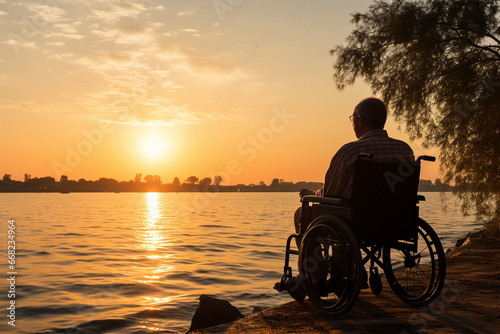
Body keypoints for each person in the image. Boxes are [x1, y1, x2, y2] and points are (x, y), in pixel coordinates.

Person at [279, 97, 414, 300]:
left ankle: (316, 277)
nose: (353, 124)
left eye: (353, 119)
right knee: (340, 217)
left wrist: (310, 195)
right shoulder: (405, 150)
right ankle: (344, 272)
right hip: (393, 221)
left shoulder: (350, 151)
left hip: (355, 222)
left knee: (304, 213)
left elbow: (331, 193)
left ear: (359, 120)